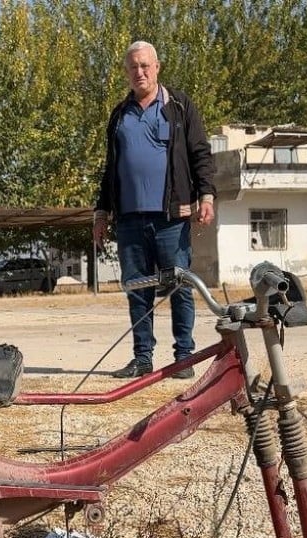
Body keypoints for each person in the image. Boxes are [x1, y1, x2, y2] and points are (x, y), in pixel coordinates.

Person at [93, 40, 216, 379]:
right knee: (137, 289)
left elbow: (200, 154)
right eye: (133, 66)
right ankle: (142, 359)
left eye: (145, 65)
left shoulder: (179, 106)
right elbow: (110, 169)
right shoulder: (119, 115)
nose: (140, 72)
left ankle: (183, 359)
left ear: (157, 67)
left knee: (179, 287)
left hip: (171, 219)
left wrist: (206, 195)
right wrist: (101, 214)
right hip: (129, 220)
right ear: (126, 72)